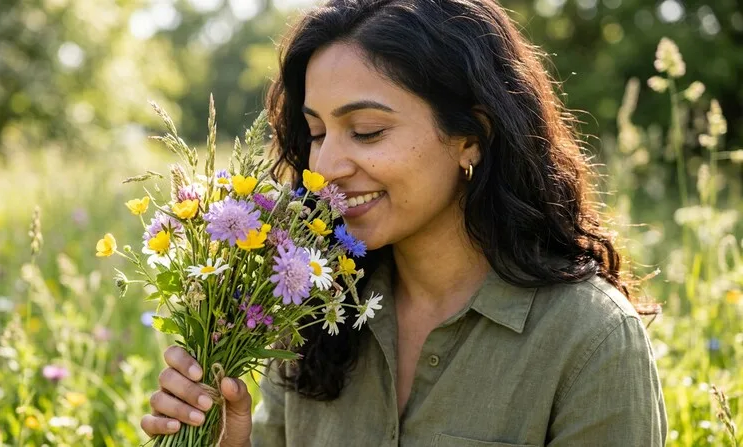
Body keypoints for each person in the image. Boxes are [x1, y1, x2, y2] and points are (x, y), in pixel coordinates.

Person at [140, 0, 667, 445]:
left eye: (367, 131)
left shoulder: (590, 340)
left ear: (471, 137)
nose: (323, 169)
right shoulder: (304, 312)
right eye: (317, 133)